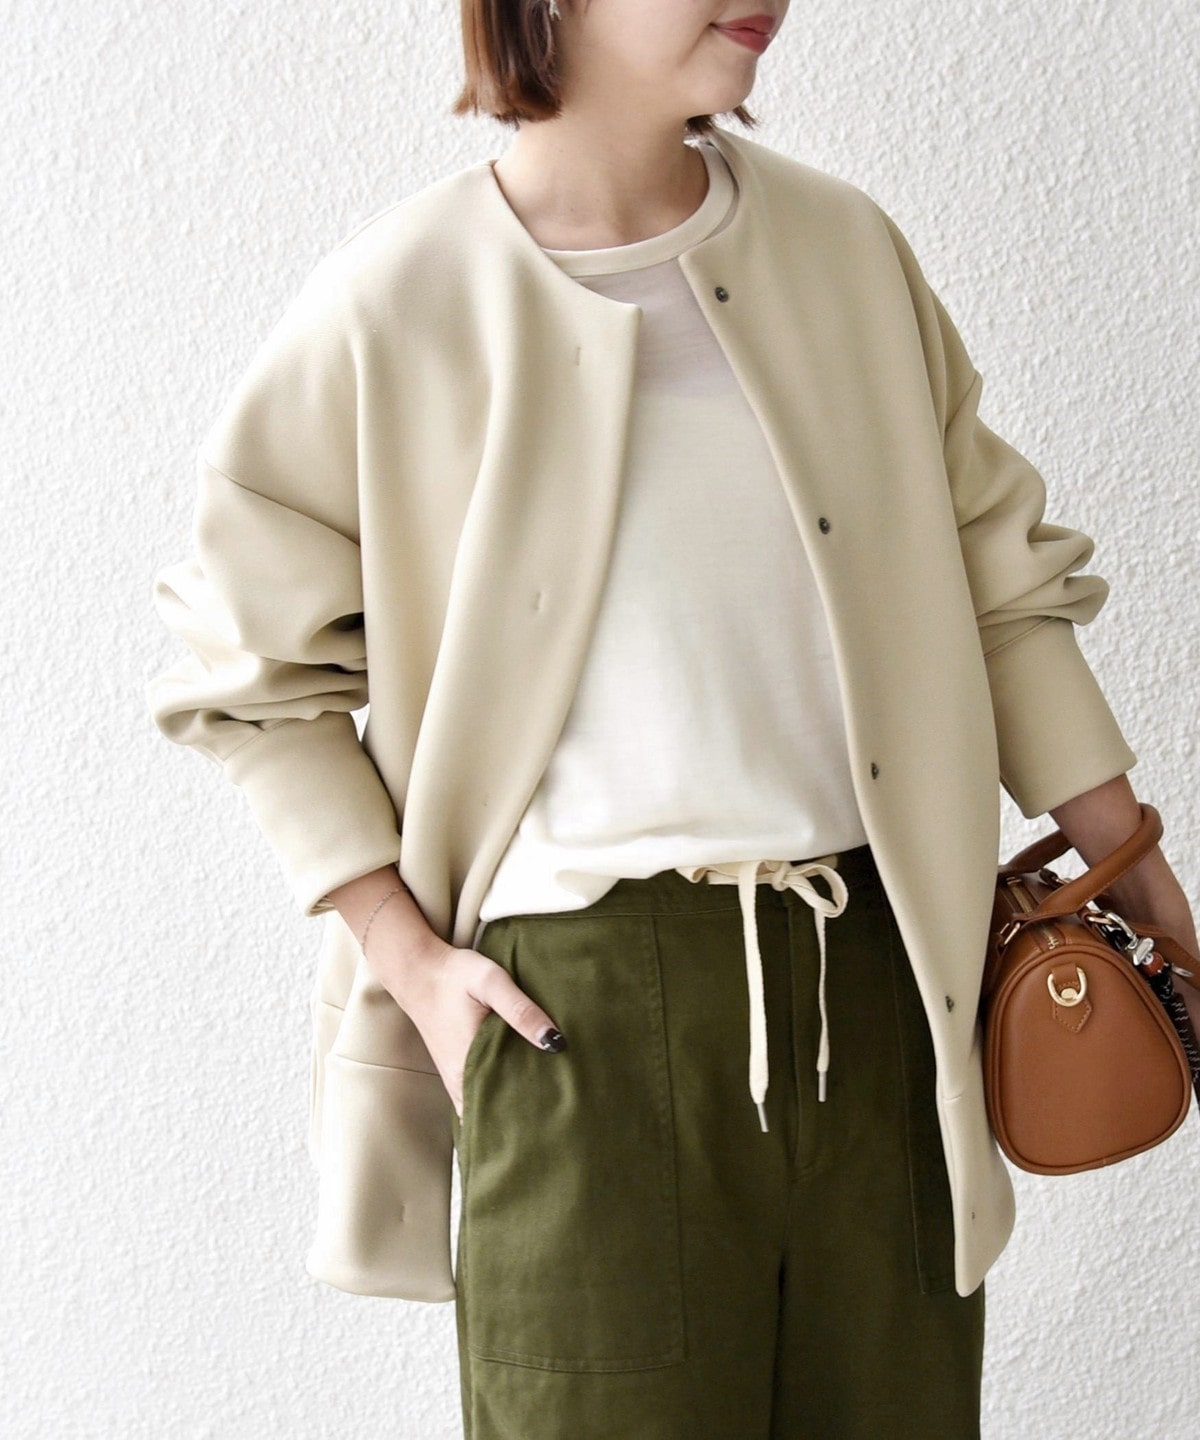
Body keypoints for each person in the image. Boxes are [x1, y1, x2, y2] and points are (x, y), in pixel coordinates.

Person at [145, 3, 1200, 1437]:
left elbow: (996, 584)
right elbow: (247, 671)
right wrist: (408, 958)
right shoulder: (397, 303)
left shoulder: (845, 252)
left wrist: (1132, 865)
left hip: (881, 981)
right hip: (579, 1019)